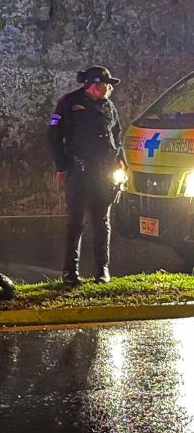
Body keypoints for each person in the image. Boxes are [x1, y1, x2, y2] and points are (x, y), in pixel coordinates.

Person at [49, 65, 123, 285]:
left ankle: (102, 271)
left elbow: (117, 137)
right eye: (106, 84)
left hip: (104, 173)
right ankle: (70, 273)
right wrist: (61, 166)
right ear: (93, 84)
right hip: (78, 170)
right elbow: (53, 136)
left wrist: (122, 164)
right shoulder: (69, 103)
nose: (109, 88)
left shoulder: (109, 107)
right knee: (76, 221)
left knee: (102, 221)